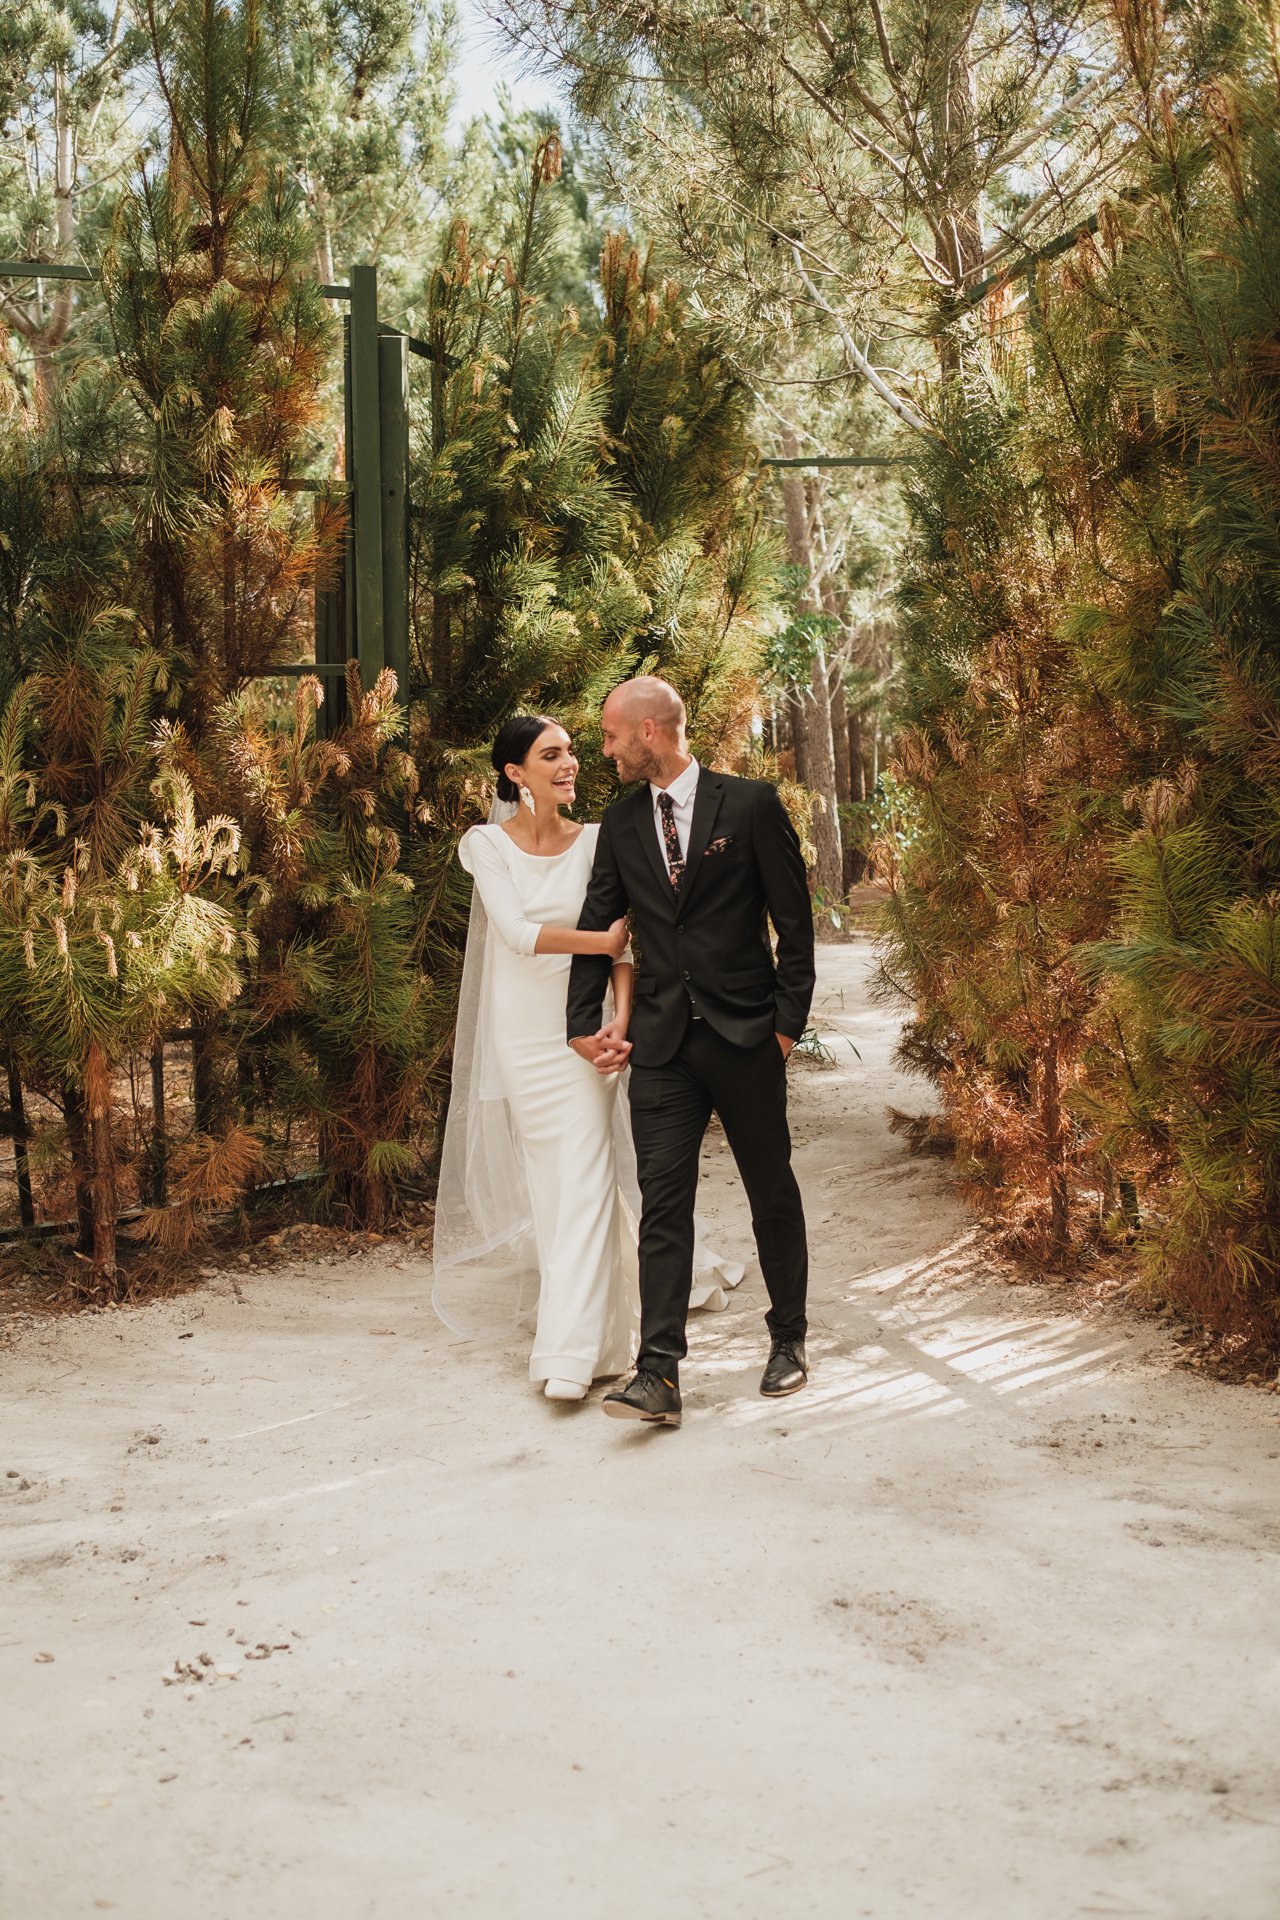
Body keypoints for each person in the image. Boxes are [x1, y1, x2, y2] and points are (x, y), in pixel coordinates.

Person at [431, 714, 741, 1402]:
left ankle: (568, 1353)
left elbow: (630, 948)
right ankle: (612, 1319)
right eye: (551, 755)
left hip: (586, 1035)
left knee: (587, 1176)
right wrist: (601, 944)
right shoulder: (484, 844)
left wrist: (621, 1021)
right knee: (559, 1187)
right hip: (522, 1039)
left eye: (572, 751)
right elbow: (515, 932)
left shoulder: (602, 840)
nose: (570, 763)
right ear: (515, 774)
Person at [567, 677, 816, 1428]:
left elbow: (794, 925)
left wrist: (785, 1026)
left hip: (746, 1036)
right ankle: (659, 1373)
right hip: (663, 1045)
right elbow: (599, 923)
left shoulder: (750, 805)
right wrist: (583, 1022)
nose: (604, 749)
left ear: (649, 732)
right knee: (663, 1208)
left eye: (612, 735)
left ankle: (789, 1340)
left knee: (770, 1190)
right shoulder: (619, 822)